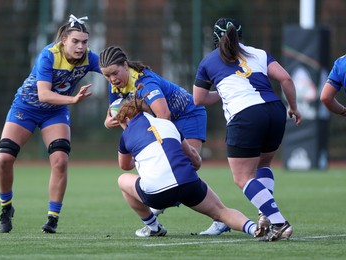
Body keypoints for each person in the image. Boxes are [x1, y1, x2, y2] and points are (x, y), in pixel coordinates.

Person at [98, 46, 230, 235]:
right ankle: (167, 201)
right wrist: (109, 122)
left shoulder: (145, 82)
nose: (112, 79)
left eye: (114, 73)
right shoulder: (116, 85)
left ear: (125, 66)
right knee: (172, 171)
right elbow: (118, 114)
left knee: (186, 168)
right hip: (167, 121)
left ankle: (220, 218)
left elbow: (164, 116)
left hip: (188, 115)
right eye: (106, 76)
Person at [192, 18, 302, 241]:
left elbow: (198, 98)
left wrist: (223, 93)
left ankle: (279, 222)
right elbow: (286, 78)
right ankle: (266, 215)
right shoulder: (258, 53)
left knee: (243, 177)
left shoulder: (208, 61)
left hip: (246, 115)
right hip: (274, 110)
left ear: (214, 38)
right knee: (263, 163)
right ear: (240, 35)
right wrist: (294, 107)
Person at [0, 14, 100, 233]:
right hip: (26, 108)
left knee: (60, 160)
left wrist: (137, 78)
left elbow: (114, 70)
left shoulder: (89, 58)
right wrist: (73, 100)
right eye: (75, 41)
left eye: (84, 42)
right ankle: (6, 207)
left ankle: (52, 218)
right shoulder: (48, 55)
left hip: (55, 112)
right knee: (5, 158)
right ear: (64, 40)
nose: (81, 46)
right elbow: (43, 95)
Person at [115, 96, 266, 239]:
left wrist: (139, 156)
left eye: (122, 125)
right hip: (188, 183)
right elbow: (194, 157)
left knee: (122, 180)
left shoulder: (127, 134)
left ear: (127, 119)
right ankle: (255, 229)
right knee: (221, 211)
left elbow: (125, 166)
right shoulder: (168, 124)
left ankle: (153, 227)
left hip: (157, 194)